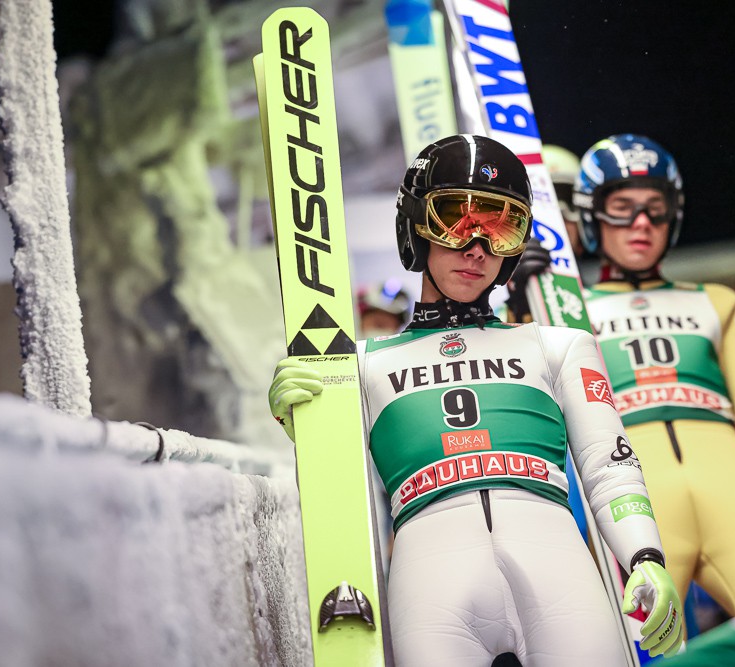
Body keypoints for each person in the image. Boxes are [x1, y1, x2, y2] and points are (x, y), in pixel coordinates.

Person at [269, 134, 684, 665]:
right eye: (455, 220)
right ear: (414, 224)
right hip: (431, 580)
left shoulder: (560, 346)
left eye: (501, 227)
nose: (477, 248)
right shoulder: (358, 364)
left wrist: (645, 556)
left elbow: (611, 468)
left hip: (555, 567)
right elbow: (342, 492)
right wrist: (309, 427)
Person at [515, 133, 735, 625]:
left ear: (673, 216)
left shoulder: (718, 301)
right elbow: (528, 389)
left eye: (655, 209)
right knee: (643, 649)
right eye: (622, 208)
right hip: (632, 498)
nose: (641, 222)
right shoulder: (564, 312)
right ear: (591, 215)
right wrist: (520, 302)